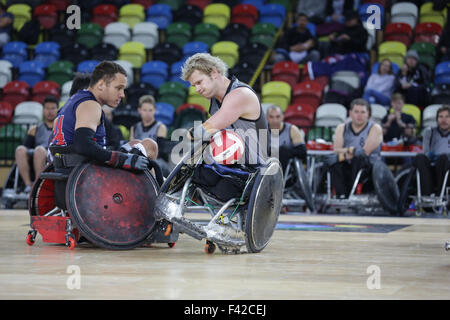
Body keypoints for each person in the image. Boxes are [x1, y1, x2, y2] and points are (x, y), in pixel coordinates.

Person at [49, 61, 157, 174]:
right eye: (118, 88)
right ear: (100, 85)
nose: (122, 95)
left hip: (66, 169)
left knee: (136, 143)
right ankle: (152, 191)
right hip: (87, 174)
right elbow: (83, 145)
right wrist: (121, 159)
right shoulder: (90, 104)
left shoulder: (71, 103)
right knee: (150, 145)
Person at [181, 53, 268, 167]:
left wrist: (191, 133)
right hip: (233, 166)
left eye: (199, 82)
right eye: (194, 86)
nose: (197, 89)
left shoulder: (240, 94)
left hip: (256, 169)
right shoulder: (214, 100)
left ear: (214, 72)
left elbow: (204, 131)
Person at [325, 98, 383, 198]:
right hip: (349, 164)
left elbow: (364, 152)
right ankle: (340, 195)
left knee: (357, 159)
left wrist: (343, 155)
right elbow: (337, 150)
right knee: (332, 161)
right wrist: (352, 151)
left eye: (362, 112)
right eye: (356, 112)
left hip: (370, 168)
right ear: (350, 113)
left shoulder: (375, 128)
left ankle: (352, 193)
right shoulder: (342, 128)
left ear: (368, 114)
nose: (359, 115)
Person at [15, 95, 59, 193]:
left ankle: (38, 184)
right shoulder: (35, 128)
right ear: (43, 110)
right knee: (20, 149)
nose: (50, 111)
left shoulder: (60, 126)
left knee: (39, 150)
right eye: (47, 108)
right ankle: (28, 185)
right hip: (38, 153)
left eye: (53, 108)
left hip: (52, 154)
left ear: (57, 109)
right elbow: (26, 147)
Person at [412, 105, 450, 197]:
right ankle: (425, 195)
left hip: (447, 166)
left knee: (443, 158)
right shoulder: (429, 132)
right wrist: (430, 155)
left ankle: (441, 194)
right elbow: (425, 152)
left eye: (447, 117)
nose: (443, 120)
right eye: (441, 117)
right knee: (419, 157)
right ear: (437, 119)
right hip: (432, 166)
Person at [266, 104, 306, 172]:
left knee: (283, 151)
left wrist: (283, 151)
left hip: (287, 167)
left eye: (278, 117)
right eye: (271, 117)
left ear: (282, 117)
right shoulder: (262, 129)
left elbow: (302, 152)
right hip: (267, 166)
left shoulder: (292, 129)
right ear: (266, 117)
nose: (275, 120)